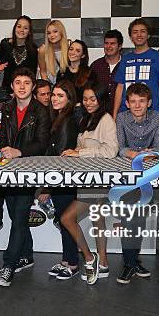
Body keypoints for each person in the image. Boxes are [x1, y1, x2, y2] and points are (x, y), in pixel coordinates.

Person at [0, 67, 50, 287]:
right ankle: (26, 254)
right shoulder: (6, 108)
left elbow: (43, 142)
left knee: (18, 217)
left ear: (33, 87)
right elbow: (1, 137)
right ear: (12, 86)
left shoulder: (41, 110)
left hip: (29, 169)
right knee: (14, 212)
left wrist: (20, 151)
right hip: (8, 170)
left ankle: (9, 264)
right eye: (18, 82)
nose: (22, 86)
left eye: (26, 83)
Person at [59, 80, 119, 285]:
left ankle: (89, 257)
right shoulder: (86, 119)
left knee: (67, 218)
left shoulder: (106, 120)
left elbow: (111, 151)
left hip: (99, 180)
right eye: (85, 99)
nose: (88, 102)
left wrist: (79, 153)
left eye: (93, 98)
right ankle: (102, 262)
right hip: (86, 180)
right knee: (97, 220)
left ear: (101, 99)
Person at [115, 83, 159, 283]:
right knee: (128, 218)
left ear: (149, 103)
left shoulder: (158, 118)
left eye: (141, 101)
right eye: (133, 101)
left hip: (148, 172)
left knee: (140, 219)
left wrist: (147, 155)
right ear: (127, 103)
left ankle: (133, 261)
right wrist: (135, 154)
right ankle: (129, 263)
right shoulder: (121, 118)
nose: (137, 105)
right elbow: (120, 148)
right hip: (126, 173)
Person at [38, 80, 80, 280]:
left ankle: (72, 264)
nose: (54, 99)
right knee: (64, 222)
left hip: (64, 181)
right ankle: (66, 261)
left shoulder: (67, 121)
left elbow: (60, 158)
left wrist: (47, 186)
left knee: (66, 221)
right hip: (60, 180)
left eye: (60, 96)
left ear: (70, 99)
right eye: (53, 95)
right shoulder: (59, 117)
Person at [113, 18, 159, 119]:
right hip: (126, 115)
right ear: (131, 37)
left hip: (152, 115)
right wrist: (115, 114)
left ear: (148, 35)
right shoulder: (125, 59)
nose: (139, 35)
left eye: (143, 31)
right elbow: (120, 88)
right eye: (135, 32)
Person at [0, 16, 38, 96]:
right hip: (5, 92)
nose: (21, 30)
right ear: (14, 28)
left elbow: (32, 74)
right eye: (19, 26)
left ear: (29, 31)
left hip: (24, 92)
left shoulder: (33, 50)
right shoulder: (4, 44)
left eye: (25, 28)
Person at [90, 29, 124, 112]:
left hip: (122, 114)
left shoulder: (126, 64)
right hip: (99, 114)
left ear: (119, 46)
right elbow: (90, 91)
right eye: (106, 43)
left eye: (112, 43)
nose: (108, 46)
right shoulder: (95, 66)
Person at [58, 39, 97, 105]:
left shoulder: (89, 73)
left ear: (83, 55)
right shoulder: (62, 71)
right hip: (64, 108)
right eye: (71, 49)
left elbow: (92, 95)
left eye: (77, 51)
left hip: (82, 110)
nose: (73, 52)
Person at [37, 20, 69, 85]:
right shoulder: (43, 50)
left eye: (55, 31)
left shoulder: (69, 48)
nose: (52, 35)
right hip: (49, 85)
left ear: (61, 32)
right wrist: (48, 89)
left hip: (65, 86)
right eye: (48, 33)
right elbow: (43, 72)